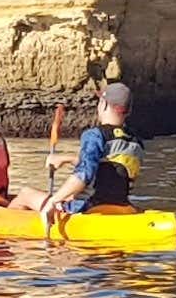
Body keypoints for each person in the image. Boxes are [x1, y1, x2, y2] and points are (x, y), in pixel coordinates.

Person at [40, 82, 146, 222]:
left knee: (26, 195)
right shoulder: (135, 141)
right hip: (123, 206)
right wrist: (66, 159)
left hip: (91, 208)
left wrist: (53, 201)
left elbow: (84, 175)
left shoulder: (94, 135)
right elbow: (110, 166)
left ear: (104, 104)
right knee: (69, 195)